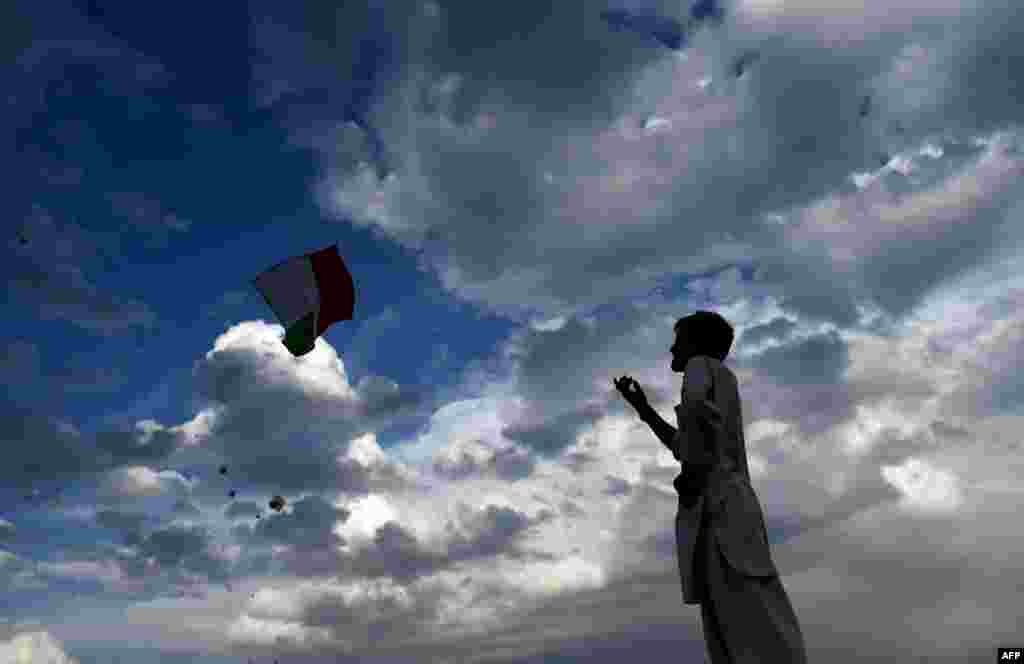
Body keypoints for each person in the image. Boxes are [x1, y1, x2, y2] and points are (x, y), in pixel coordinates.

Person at [614, 310, 808, 663]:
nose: (672, 349)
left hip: (721, 507)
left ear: (698, 344)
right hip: (726, 507)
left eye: (679, 340)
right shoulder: (723, 378)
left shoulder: (700, 367)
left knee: (744, 619)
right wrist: (643, 409)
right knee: (743, 616)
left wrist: (694, 474)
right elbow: (684, 444)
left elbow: (696, 416)